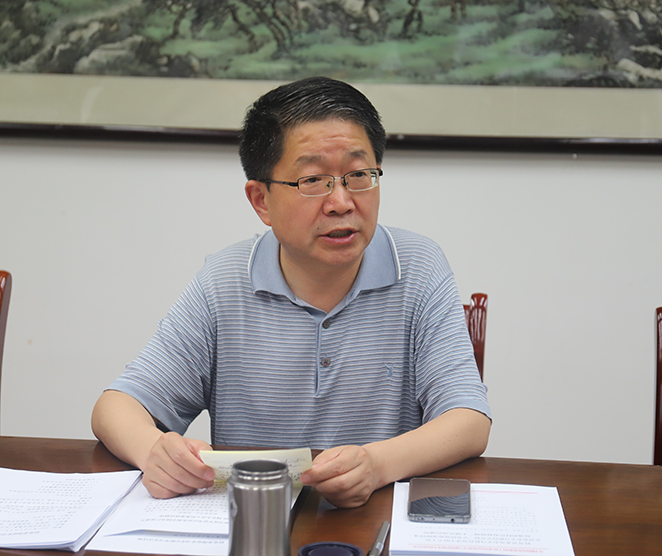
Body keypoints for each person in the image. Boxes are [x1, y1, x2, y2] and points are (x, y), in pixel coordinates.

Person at [91, 76, 491, 508]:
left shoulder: (418, 267)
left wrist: (377, 464)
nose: (341, 202)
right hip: (254, 520)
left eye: (359, 175)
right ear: (261, 200)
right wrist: (155, 451)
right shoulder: (224, 282)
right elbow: (115, 408)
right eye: (313, 180)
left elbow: (468, 420)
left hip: (374, 520)